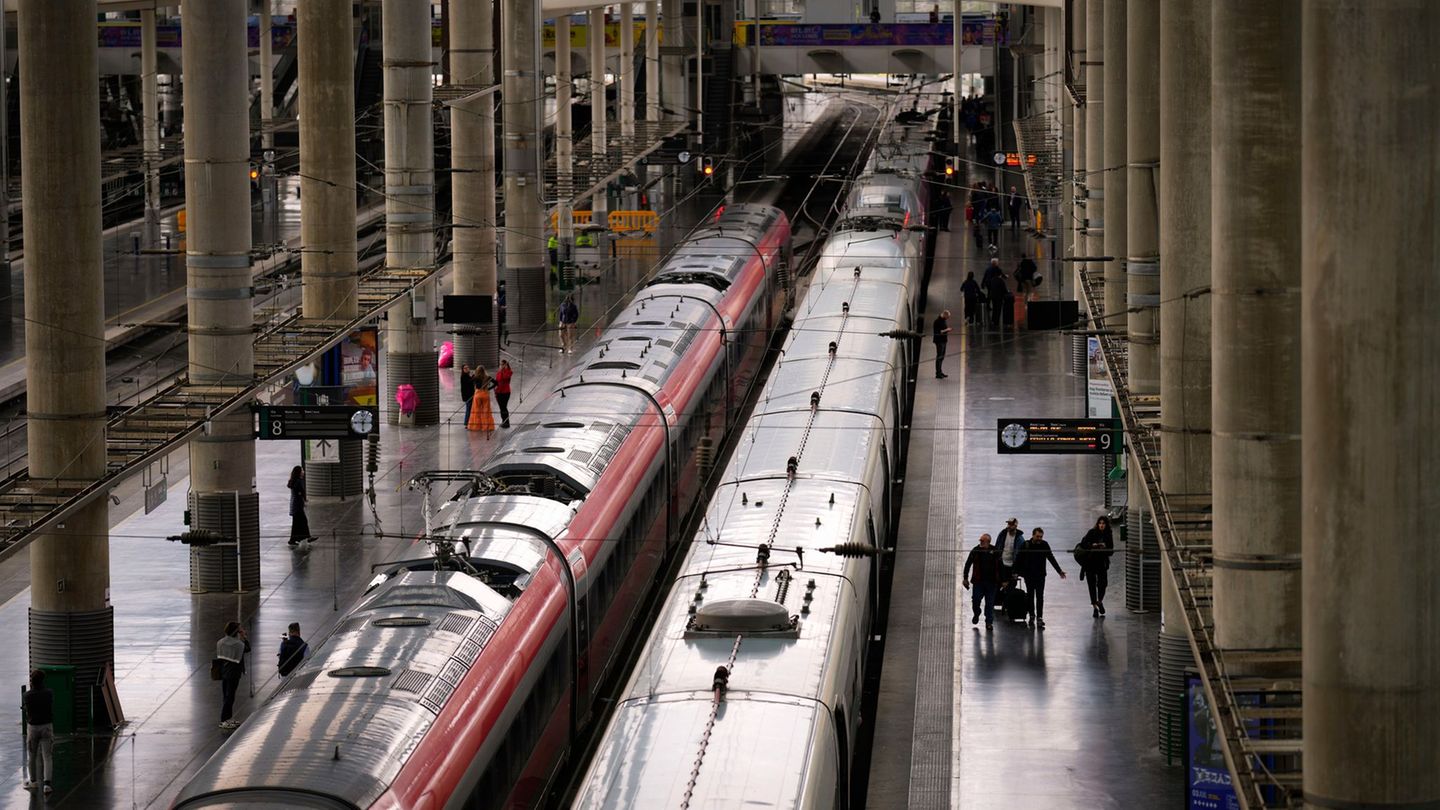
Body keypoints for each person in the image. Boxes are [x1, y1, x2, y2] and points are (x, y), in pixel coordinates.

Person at [1017, 527, 1066, 627]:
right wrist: (1015, 572)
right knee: (1030, 596)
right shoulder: (1026, 545)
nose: (1039, 538)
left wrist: (1059, 571)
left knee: (1040, 597)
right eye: (1037, 536)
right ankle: (1032, 616)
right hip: (1029, 575)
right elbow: (1019, 559)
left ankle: (1039, 617)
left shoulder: (1044, 545)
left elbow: (1051, 558)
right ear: (1033, 535)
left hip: (1040, 576)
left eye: (1041, 537)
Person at [1077, 515, 1116, 616]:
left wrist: (1105, 547)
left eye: (1103, 523)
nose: (1101, 525)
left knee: (1102, 584)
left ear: (1106, 525)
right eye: (1100, 523)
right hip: (1090, 562)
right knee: (1091, 584)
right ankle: (1094, 606)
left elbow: (1111, 550)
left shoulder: (1108, 535)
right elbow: (1083, 544)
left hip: (1102, 563)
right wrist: (1092, 545)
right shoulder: (1092, 532)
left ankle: (1099, 601)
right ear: (1097, 524)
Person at [962, 533, 1002, 628]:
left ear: (988, 542)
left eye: (982, 541)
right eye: (980, 540)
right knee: (975, 600)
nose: (980, 542)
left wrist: (1003, 580)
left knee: (990, 603)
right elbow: (968, 564)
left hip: (991, 582)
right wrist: (965, 578)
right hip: (978, 582)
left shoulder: (995, 551)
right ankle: (977, 612)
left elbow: (1001, 566)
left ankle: (989, 622)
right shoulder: (975, 550)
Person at [24, 669, 54, 794]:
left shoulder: (26, 695)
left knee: (32, 756)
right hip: (46, 726)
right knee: (47, 756)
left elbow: (27, 710)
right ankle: (47, 785)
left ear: (32, 681)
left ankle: (33, 782)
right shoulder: (49, 693)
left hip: (33, 728)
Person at [216, 621, 250, 729]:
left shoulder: (221, 642)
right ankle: (224, 720)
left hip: (224, 671)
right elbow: (248, 648)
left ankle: (228, 718)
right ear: (237, 631)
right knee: (230, 697)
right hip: (234, 673)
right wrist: (244, 636)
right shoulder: (238, 644)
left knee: (226, 695)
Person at [287, 466, 314, 547]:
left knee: (296, 523)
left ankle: (294, 539)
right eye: (302, 470)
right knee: (303, 521)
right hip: (297, 506)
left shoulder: (295, 480)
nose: (303, 471)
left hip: (295, 505)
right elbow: (301, 492)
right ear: (299, 472)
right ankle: (307, 537)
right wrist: (304, 499)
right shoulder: (298, 481)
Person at [994, 517, 1025, 589]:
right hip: (1001, 564)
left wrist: (1017, 571)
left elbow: (1021, 556)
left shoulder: (1020, 538)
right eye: (1008, 524)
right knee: (998, 587)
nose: (1008, 526)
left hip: (1012, 567)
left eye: (1011, 524)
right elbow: (997, 547)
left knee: (1010, 588)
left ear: (1015, 526)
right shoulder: (1002, 534)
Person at [467, 365, 496, 435]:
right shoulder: (487, 377)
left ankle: (476, 426)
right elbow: (496, 383)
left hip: (477, 394)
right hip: (485, 394)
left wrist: (472, 375)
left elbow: (469, 382)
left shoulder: (475, 377)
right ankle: (487, 427)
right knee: (486, 411)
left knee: (476, 411)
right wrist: (489, 389)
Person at [984, 263, 1011, 330]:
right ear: (1000, 274)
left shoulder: (992, 279)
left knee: (994, 308)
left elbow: (990, 287)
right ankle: (996, 322)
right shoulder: (1001, 281)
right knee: (998, 309)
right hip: (999, 297)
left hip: (993, 296)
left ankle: (993, 320)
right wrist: (1008, 291)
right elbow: (1004, 290)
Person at [932, 309, 952, 378]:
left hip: (943, 341)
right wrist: (947, 330)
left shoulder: (943, 320)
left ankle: (940, 372)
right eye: (947, 317)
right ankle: (938, 373)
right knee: (939, 357)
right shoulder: (937, 321)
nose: (948, 318)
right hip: (939, 341)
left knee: (942, 357)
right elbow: (939, 332)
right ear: (944, 315)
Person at [494, 360, 514, 429]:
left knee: (504, 407)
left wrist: (505, 369)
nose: (501, 366)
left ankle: (506, 422)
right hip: (499, 392)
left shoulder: (508, 372)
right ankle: (503, 421)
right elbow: (496, 381)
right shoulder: (498, 372)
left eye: (503, 364)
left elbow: (505, 377)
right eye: (501, 364)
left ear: (506, 365)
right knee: (501, 408)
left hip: (505, 392)